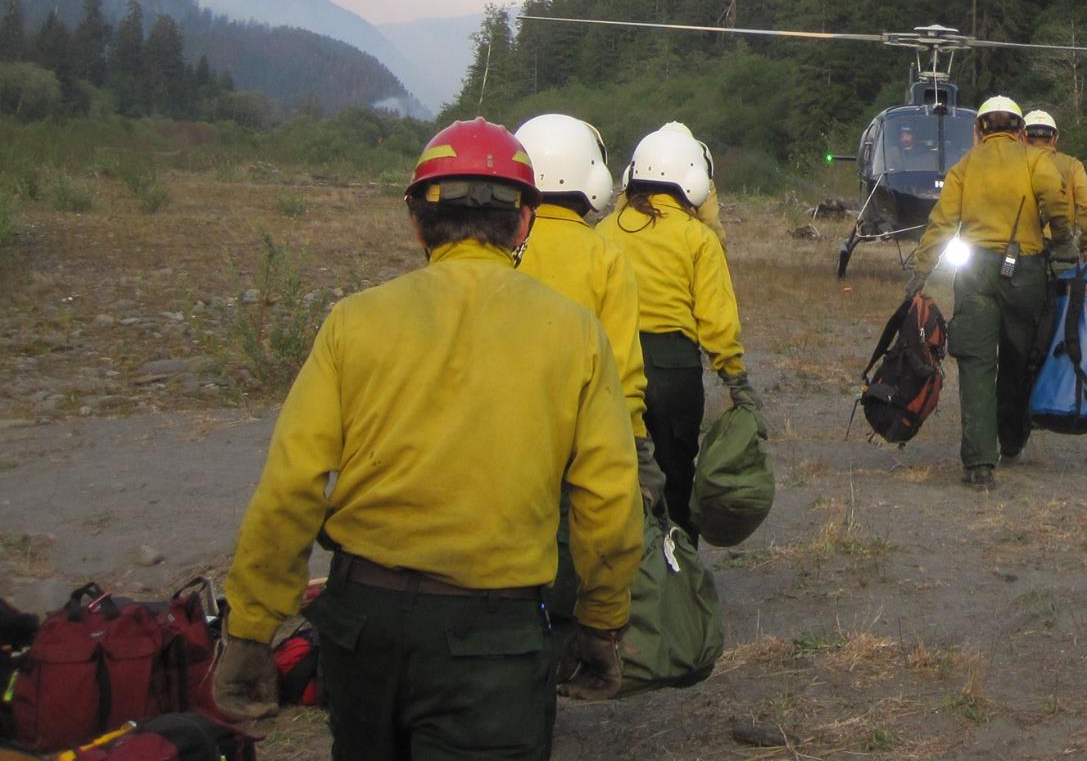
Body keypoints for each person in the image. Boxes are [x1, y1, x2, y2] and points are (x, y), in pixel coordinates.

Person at [212, 118, 642, 759]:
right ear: (523, 222)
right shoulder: (574, 334)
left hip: (362, 629)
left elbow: (291, 487)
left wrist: (250, 630)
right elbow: (607, 499)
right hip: (494, 637)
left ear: (417, 221)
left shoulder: (352, 323)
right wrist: (602, 623)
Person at [512, 113, 667, 601]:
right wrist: (638, 448)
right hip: (582, 432)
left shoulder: (503, 246)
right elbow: (623, 370)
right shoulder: (605, 257)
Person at [599, 121, 758, 538]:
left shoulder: (602, 233)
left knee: (613, 474)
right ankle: (676, 569)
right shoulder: (698, 239)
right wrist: (735, 377)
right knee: (675, 477)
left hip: (612, 365)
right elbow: (716, 318)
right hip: (673, 369)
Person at [912, 95, 1070, 490]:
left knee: (976, 363)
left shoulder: (963, 167)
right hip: (1026, 271)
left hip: (975, 273)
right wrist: (1064, 238)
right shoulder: (1036, 160)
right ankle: (1013, 441)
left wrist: (920, 269)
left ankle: (979, 464)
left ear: (979, 130)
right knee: (1020, 359)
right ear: (1020, 131)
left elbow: (942, 222)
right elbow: (1054, 198)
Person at [1022, 108, 1087, 272]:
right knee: (1064, 295)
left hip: (1022, 252)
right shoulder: (1072, 165)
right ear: (1053, 138)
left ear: (1022, 137)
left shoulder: (1013, 165)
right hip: (1060, 250)